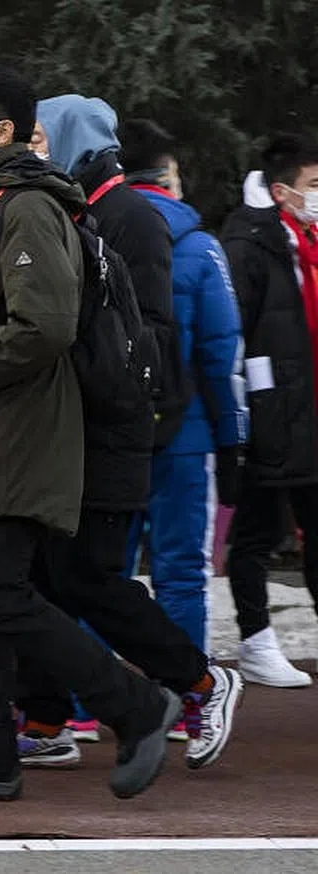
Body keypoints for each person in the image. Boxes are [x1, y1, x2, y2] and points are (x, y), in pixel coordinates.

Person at [0, 68, 178, 802]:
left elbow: (42, 328)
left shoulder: (27, 207)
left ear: (4, 130)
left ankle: (137, 707)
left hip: (14, 439)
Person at [6, 98, 242, 771]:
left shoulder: (128, 217)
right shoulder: (79, 207)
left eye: (45, 136)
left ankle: (201, 682)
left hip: (113, 431)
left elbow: (151, 339)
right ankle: (47, 718)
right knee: (49, 576)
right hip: (75, 429)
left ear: (78, 138)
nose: (36, 147)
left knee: (86, 578)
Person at [118, 117, 248, 670]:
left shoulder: (88, 231)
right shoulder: (199, 246)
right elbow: (223, 355)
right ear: (169, 174)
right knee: (181, 571)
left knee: (98, 571)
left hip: (106, 434)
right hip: (185, 433)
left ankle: (79, 705)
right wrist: (232, 439)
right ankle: (183, 696)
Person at [221, 133, 318, 688]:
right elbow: (236, 336)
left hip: (309, 410)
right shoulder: (248, 245)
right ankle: (256, 642)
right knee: (256, 534)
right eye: (311, 186)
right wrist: (253, 408)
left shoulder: (308, 240)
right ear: (282, 192)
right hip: (269, 416)